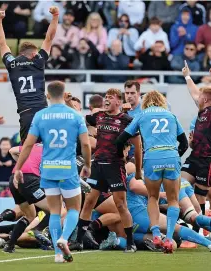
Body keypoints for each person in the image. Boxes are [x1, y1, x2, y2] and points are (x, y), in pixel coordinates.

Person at [14, 81, 91, 263]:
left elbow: (28, 145)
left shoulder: (40, 116)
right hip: (68, 169)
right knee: (74, 209)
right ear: (65, 95)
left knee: (55, 212)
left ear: (47, 96)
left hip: (48, 169)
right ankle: (64, 238)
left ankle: (57, 253)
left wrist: (18, 168)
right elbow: (86, 144)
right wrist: (87, 164)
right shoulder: (75, 115)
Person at [115, 90, 189, 253]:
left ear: (145, 102)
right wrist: (175, 157)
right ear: (161, 101)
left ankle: (155, 233)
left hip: (152, 158)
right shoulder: (171, 115)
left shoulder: (141, 115)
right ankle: (168, 238)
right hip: (171, 156)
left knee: (153, 197)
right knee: (173, 200)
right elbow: (184, 143)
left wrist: (121, 155)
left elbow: (121, 138)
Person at [79, 88, 142, 253]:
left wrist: (138, 171)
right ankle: (78, 241)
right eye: (105, 97)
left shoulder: (127, 120)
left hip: (115, 166)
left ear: (118, 102)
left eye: (110, 97)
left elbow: (138, 145)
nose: (106, 99)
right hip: (98, 165)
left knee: (121, 205)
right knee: (89, 202)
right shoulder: (98, 116)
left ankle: (130, 242)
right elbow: (83, 117)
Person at [0, 7, 59, 142]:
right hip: (42, 112)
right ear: (32, 53)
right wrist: (55, 16)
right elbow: (49, 38)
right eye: (35, 52)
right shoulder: (38, 61)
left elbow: (2, 43)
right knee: (46, 149)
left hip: (25, 114)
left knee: (26, 152)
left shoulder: (12, 64)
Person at [181, 62, 211, 224]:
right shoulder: (201, 111)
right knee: (180, 184)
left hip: (209, 161)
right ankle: (195, 220)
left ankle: (198, 229)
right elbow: (193, 91)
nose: (195, 98)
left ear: (205, 98)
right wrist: (187, 76)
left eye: (199, 96)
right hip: (194, 157)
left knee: (201, 195)